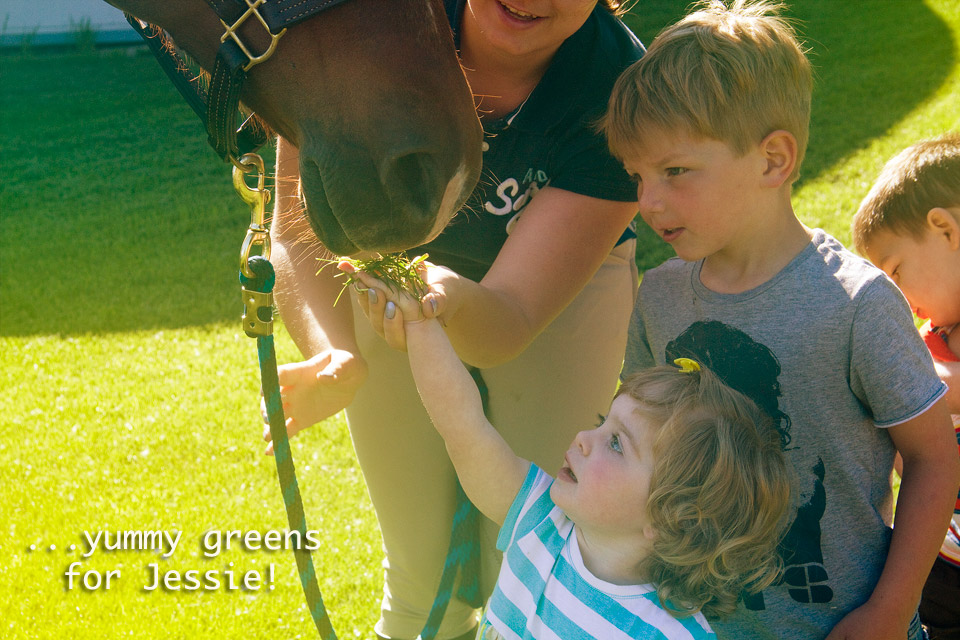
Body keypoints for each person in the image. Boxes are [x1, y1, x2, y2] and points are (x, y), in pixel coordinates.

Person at [266, 0, 645, 637]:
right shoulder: (360, 21)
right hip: (396, 284)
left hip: (560, 296)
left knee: (526, 558)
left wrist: (445, 303)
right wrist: (335, 352)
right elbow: (295, 224)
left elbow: (511, 319)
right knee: (420, 579)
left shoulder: (623, 90)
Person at [602, 2, 960, 639]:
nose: (648, 201)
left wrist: (887, 611)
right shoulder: (658, 298)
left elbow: (933, 461)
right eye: (638, 175)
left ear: (772, 160)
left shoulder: (857, 304)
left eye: (675, 171)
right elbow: (639, 450)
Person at [344, 263, 792, 640]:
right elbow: (463, 426)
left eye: (616, 443)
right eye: (603, 422)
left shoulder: (665, 634)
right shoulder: (539, 521)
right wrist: (420, 324)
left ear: (671, 516)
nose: (582, 437)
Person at [852, 133, 960, 640]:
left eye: (896, 272)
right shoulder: (928, 340)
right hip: (943, 559)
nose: (896, 296)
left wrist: (904, 384)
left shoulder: (923, 364)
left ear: (945, 229)